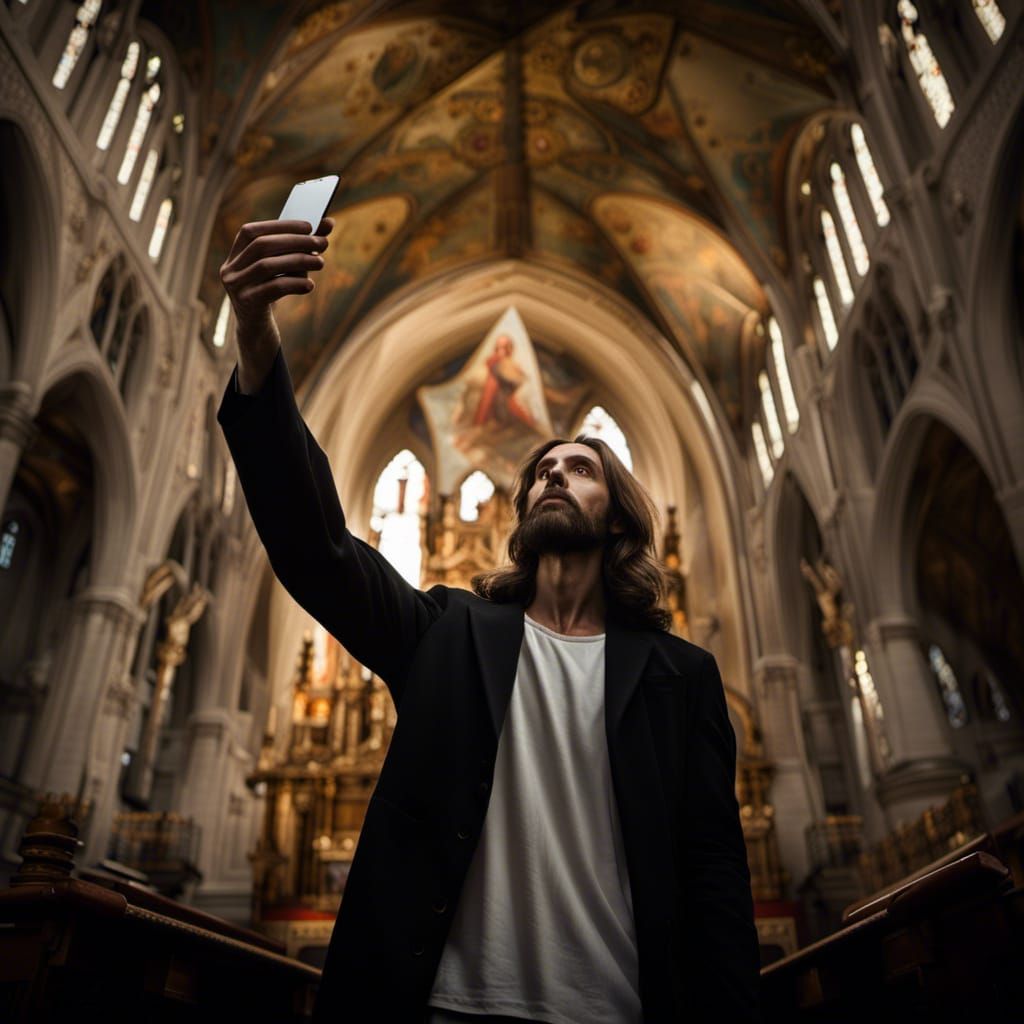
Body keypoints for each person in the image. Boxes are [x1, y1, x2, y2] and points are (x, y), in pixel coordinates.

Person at [217, 218, 762, 1023]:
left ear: (618, 518)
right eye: (541, 470)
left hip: (617, 1010)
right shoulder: (449, 633)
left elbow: (714, 870)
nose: (552, 476)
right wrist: (257, 343)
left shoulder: (682, 676)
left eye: (579, 470)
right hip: (449, 1009)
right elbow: (317, 549)